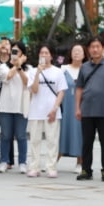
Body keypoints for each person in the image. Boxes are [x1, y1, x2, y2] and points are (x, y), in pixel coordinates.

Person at [74, 36, 104, 181]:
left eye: (97, 46)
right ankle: (86, 169)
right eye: (92, 47)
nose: (95, 49)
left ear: (103, 48)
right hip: (87, 110)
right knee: (87, 141)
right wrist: (77, 107)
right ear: (88, 50)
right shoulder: (84, 67)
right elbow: (79, 88)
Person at [25, 44, 66, 178]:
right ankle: (34, 166)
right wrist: (38, 72)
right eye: (41, 53)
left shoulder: (58, 72)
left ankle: (51, 167)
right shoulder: (32, 71)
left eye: (46, 53)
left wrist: (55, 108)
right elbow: (34, 90)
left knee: (52, 140)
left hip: (52, 111)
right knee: (35, 140)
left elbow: (61, 91)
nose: (44, 55)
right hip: (36, 110)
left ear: (51, 55)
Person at [0, 41, 30, 174]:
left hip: (21, 106)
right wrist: (16, 65)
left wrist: (20, 67)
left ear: (23, 54)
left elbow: (27, 82)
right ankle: (4, 161)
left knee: (21, 136)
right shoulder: (3, 67)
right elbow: (8, 77)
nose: (15, 54)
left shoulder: (28, 69)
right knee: (5, 135)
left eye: (18, 51)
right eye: (13, 51)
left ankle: (22, 162)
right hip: (5, 106)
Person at [59, 43, 86, 173]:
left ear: (84, 54)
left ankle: (80, 162)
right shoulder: (63, 69)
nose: (76, 53)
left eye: (79, 51)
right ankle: (54, 160)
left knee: (80, 133)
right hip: (66, 106)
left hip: (81, 106)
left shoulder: (86, 69)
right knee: (62, 132)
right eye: (74, 51)